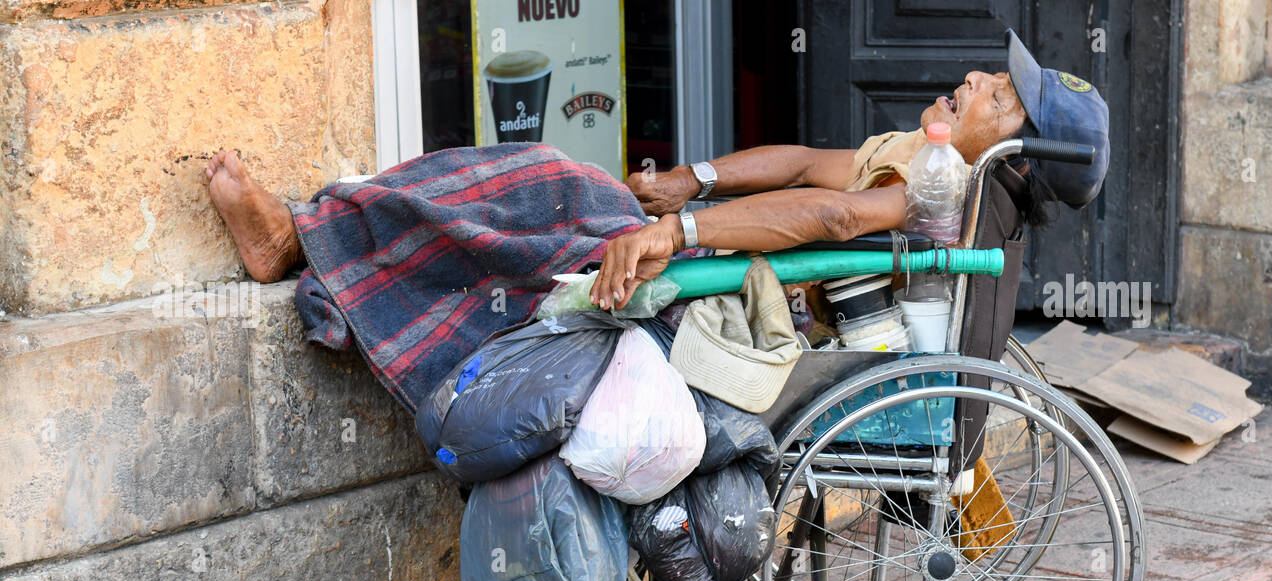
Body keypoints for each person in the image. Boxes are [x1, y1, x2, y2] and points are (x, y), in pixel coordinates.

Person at [204, 29, 1107, 409]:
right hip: (742, 282)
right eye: (997, 74)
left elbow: (832, 215)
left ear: (1016, 151)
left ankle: (299, 236)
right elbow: (802, 165)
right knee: (532, 186)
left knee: (537, 179)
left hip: (749, 313)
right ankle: (323, 234)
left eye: (1006, 96)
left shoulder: (950, 184)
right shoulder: (923, 148)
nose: (983, 79)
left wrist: (678, 231)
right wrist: (689, 179)